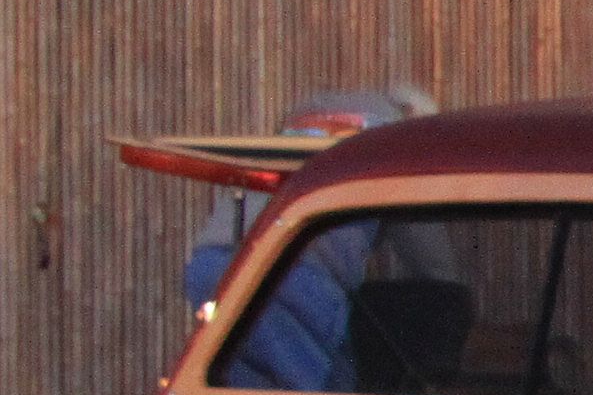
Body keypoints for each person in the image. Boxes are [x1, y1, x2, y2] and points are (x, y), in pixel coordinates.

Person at [182, 83, 437, 315]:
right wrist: (449, 291)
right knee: (326, 351)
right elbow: (426, 249)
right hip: (289, 273)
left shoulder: (309, 117)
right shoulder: (395, 140)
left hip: (210, 262)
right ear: (412, 115)